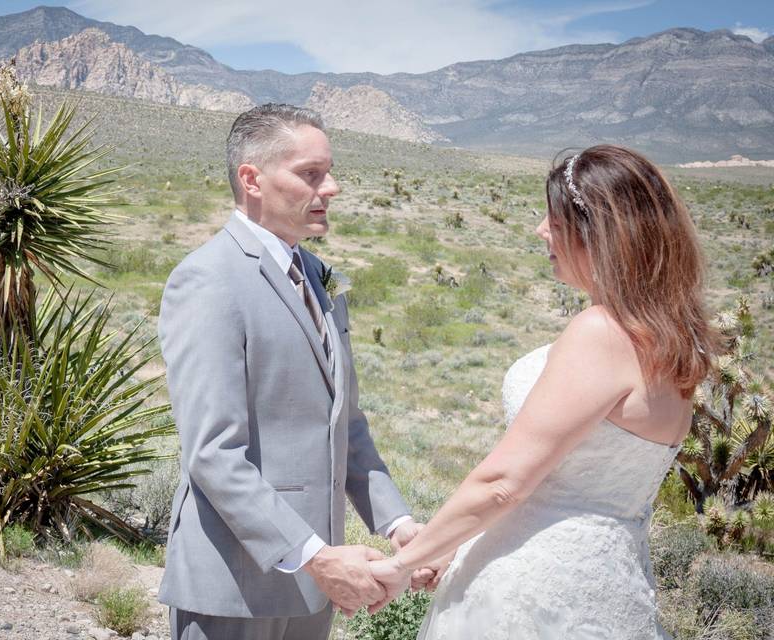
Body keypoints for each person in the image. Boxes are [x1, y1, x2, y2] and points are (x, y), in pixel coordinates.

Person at [370, 145, 718, 639]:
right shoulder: (670, 342)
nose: (540, 230)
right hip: (608, 584)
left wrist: (402, 564)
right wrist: (450, 544)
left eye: (554, 219)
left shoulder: (601, 332)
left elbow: (505, 482)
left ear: (598, 232)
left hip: (533, 592)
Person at [157, 103, 421, 640]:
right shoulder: (208, 281)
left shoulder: (315, 276)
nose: (333, 188)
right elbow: (212, 453)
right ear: (251, 179)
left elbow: (345, 425)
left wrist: (398, 524)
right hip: (233, 588)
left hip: (310, 593)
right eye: (311, 174)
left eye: (329, 172)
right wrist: (315, 557)